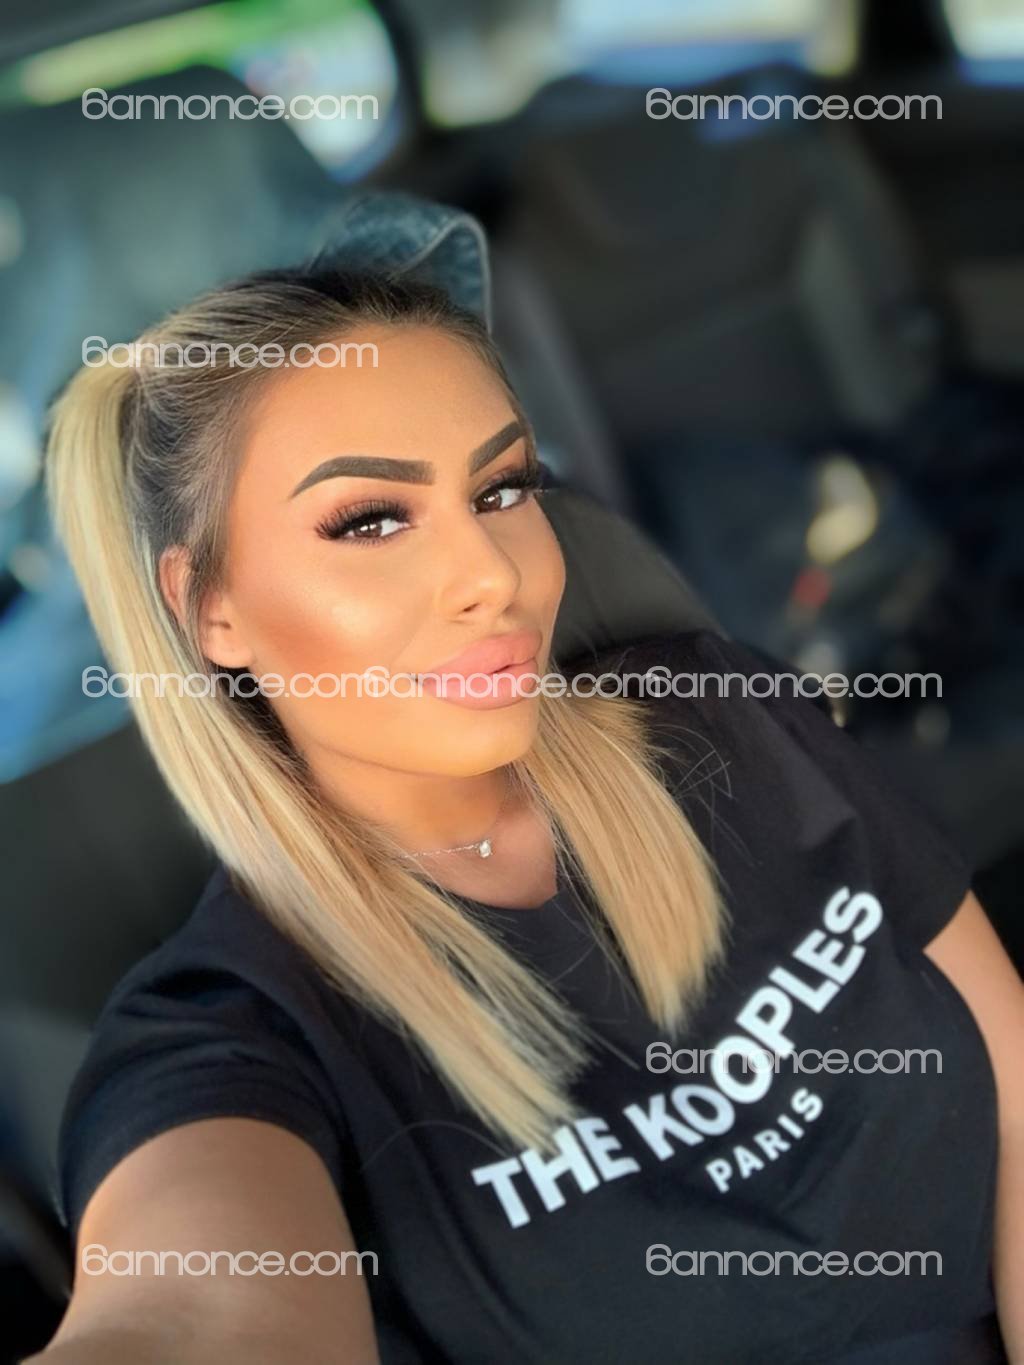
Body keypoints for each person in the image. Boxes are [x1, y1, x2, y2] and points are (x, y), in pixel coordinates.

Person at [28, 267, 1022, 1364]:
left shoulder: (716, 713)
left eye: (503, 489)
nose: (489, 575)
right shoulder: (230, 1034)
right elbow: (193, 1309)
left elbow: (1016, 1086)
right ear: (209, 608)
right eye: (370, 520)